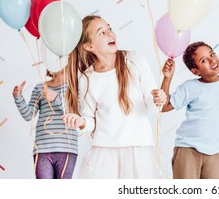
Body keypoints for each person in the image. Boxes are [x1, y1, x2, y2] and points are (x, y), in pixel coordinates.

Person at [62, 15, 166, 179]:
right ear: (89, 46)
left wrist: (158, 98)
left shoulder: (136, 61)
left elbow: (152, 105)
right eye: (101, 33)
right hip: (105, 154)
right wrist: (81, 122)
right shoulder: (88, 78)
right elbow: (90, 121)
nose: (110, 33)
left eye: (109, 28)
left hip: (138, 150)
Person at [161, 41, 219, 179]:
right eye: (204, 60)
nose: (212, 60)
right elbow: (164, 106)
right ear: (195, 71)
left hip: (216, 151)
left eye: (212, 54)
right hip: (188, 149)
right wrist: (167, 78)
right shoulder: (190, 87)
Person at [12, 68, 78, 179]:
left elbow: (76, 113)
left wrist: (56, 97)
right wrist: (18, 97)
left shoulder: (75, 86)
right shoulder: (40, 88)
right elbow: (29, 115)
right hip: (42, 149)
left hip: (67, 148)